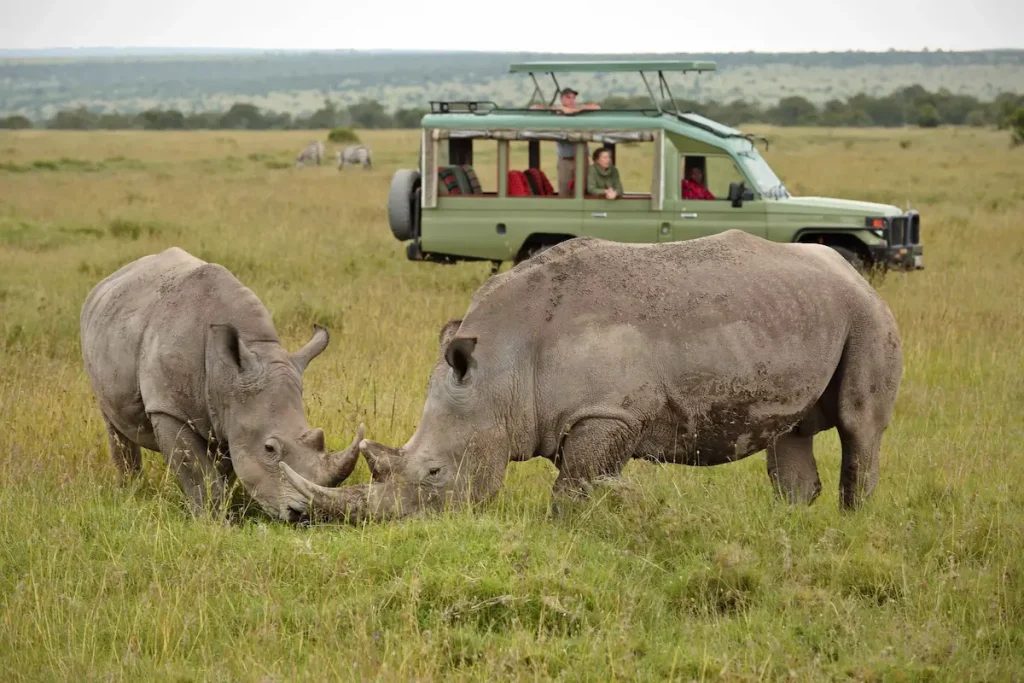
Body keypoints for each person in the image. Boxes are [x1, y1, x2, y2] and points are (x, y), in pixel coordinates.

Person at [532, 87, 601, 196]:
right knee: (564, 189)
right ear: (562, 100)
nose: (571, 100)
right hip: (565, 160)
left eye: (573, 98)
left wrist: (577, 110)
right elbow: (534, 108)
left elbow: (597, 107)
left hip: (581, 159)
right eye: (568, 97)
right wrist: (557, 109)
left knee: (582, 189)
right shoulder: (557, 113)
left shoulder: (580, 112)